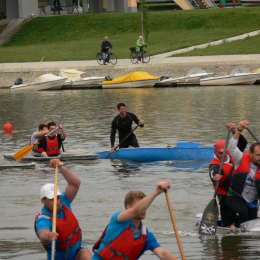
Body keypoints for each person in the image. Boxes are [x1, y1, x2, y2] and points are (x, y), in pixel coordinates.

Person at [92, 181, 179, 260]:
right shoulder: (118, 219)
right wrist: (157, 192)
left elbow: (162, 254)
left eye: (145, 207)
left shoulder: (146, 235)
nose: (144, 210)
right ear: (128, 207)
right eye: (142, 207)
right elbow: (136, 210)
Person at [34, 159, 92, 260]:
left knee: (86, 257)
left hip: (77, 250)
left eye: (58, 197)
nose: (56, 202)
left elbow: (75, 183)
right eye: (52, 199)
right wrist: (48, 236)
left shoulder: (64, 202)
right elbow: (43, 234)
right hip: (59, 256)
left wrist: (60, 167)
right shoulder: (43, 219)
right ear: (43, 201)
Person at [209, 123, 247, 228]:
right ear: (215, 152)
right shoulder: (215, 165)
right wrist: (215, 177)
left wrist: (235, 131)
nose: (223, 155)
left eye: (225, 152)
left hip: (237, 191)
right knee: (229, 221)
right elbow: (212, 172)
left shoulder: (232, 155)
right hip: (224, 195)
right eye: (220, 153)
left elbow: (243, 143)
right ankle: (229, 225)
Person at [226, 120, 260, 226]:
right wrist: (239, 130)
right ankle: (241, 237)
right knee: (243, 212)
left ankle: (236, 225)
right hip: (236, 196)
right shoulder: (239, 158)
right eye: (258, 155)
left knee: (253, 221)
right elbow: (232, 146)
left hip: (252, 201)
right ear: (250, 153)